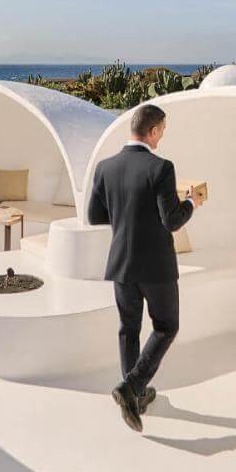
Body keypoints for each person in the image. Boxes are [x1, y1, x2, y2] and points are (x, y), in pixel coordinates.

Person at [86, 103, 203, 432]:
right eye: (162, 130)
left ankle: (134, 396)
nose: (162, 136)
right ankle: (131, 387)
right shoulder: (161, 167)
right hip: (156, 266)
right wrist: (192, 201)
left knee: (128, 329)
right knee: (166, 327)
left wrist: (128, 215)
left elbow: (96, 216)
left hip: (121, 263)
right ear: (152, 131)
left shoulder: (105, 167)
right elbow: (172, 220)